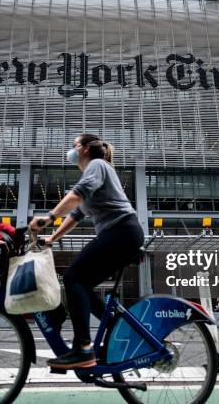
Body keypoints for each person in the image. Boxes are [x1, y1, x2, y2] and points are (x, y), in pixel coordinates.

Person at [29, 134, 144, 370]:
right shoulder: (94, 171)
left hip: (121, 231)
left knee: (73, 278)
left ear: (85, 149)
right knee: (81, 284)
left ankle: (82, 349)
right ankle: (114, 325)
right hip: (119, 233)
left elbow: (76, 195)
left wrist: (48, 218)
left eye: (74, 145)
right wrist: (51, 238)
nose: (71, 150)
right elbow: (76, 214)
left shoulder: (97, 165)